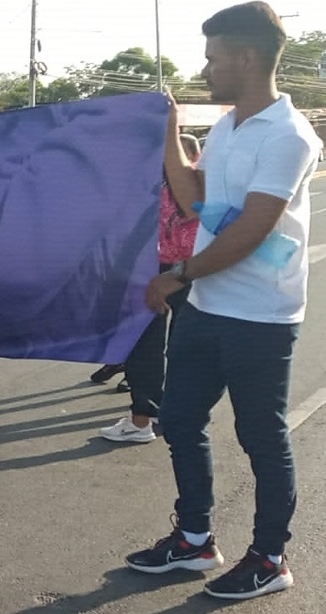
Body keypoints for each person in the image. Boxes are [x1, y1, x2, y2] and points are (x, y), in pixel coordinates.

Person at [125, 2, 323, 600]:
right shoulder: (229, 127)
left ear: (246, 57)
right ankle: (194, 538)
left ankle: (269, 557)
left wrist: (175, 275)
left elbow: (251, 230)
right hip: (209, 307)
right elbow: (198, 205)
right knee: (180, 420)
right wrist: (167, 135)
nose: (205, 68)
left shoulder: (289, 136)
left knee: (262, 438)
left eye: (212, 58)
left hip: (261, 316)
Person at [99, 135, 202, 443]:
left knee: (145, 343)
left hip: (155, 268)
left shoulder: (145, 182)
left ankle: (143, 419)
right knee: (181, 344)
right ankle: (175, 413)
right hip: (192, 267)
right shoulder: (198, 182)